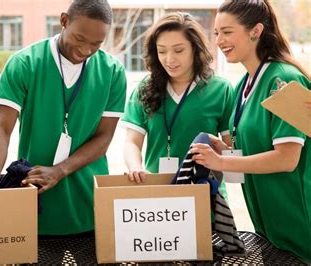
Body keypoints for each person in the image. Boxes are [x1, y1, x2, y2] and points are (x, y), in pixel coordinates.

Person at [0, 0, 126, 236]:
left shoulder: (113, 72)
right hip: (34, 199)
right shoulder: (25, 63)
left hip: (87, 203)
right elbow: (1, 128)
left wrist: (60, 170)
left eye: (97, 44)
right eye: (80, 38)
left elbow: (104, 137)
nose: (86, 49)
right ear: (63, 21)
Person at [192, 0, 310, 260]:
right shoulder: (242, 87)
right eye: (217, 33)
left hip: (300, 223)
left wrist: (221, 161)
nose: (220, 40)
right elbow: (256, 148)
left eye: (227, 32)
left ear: (255, 31)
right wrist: (225, 150)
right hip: (269, 225)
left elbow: (287, 158)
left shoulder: (284, 80)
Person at [121, 12, 234, 199]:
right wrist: (135, 167)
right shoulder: (144, 89)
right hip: (157, 197)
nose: (169, 59)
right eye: (162, 51)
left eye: (179, 50)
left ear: (195, 49)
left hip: (206, 194)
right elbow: (132, 141)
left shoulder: (221, 90)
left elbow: (230, 148)